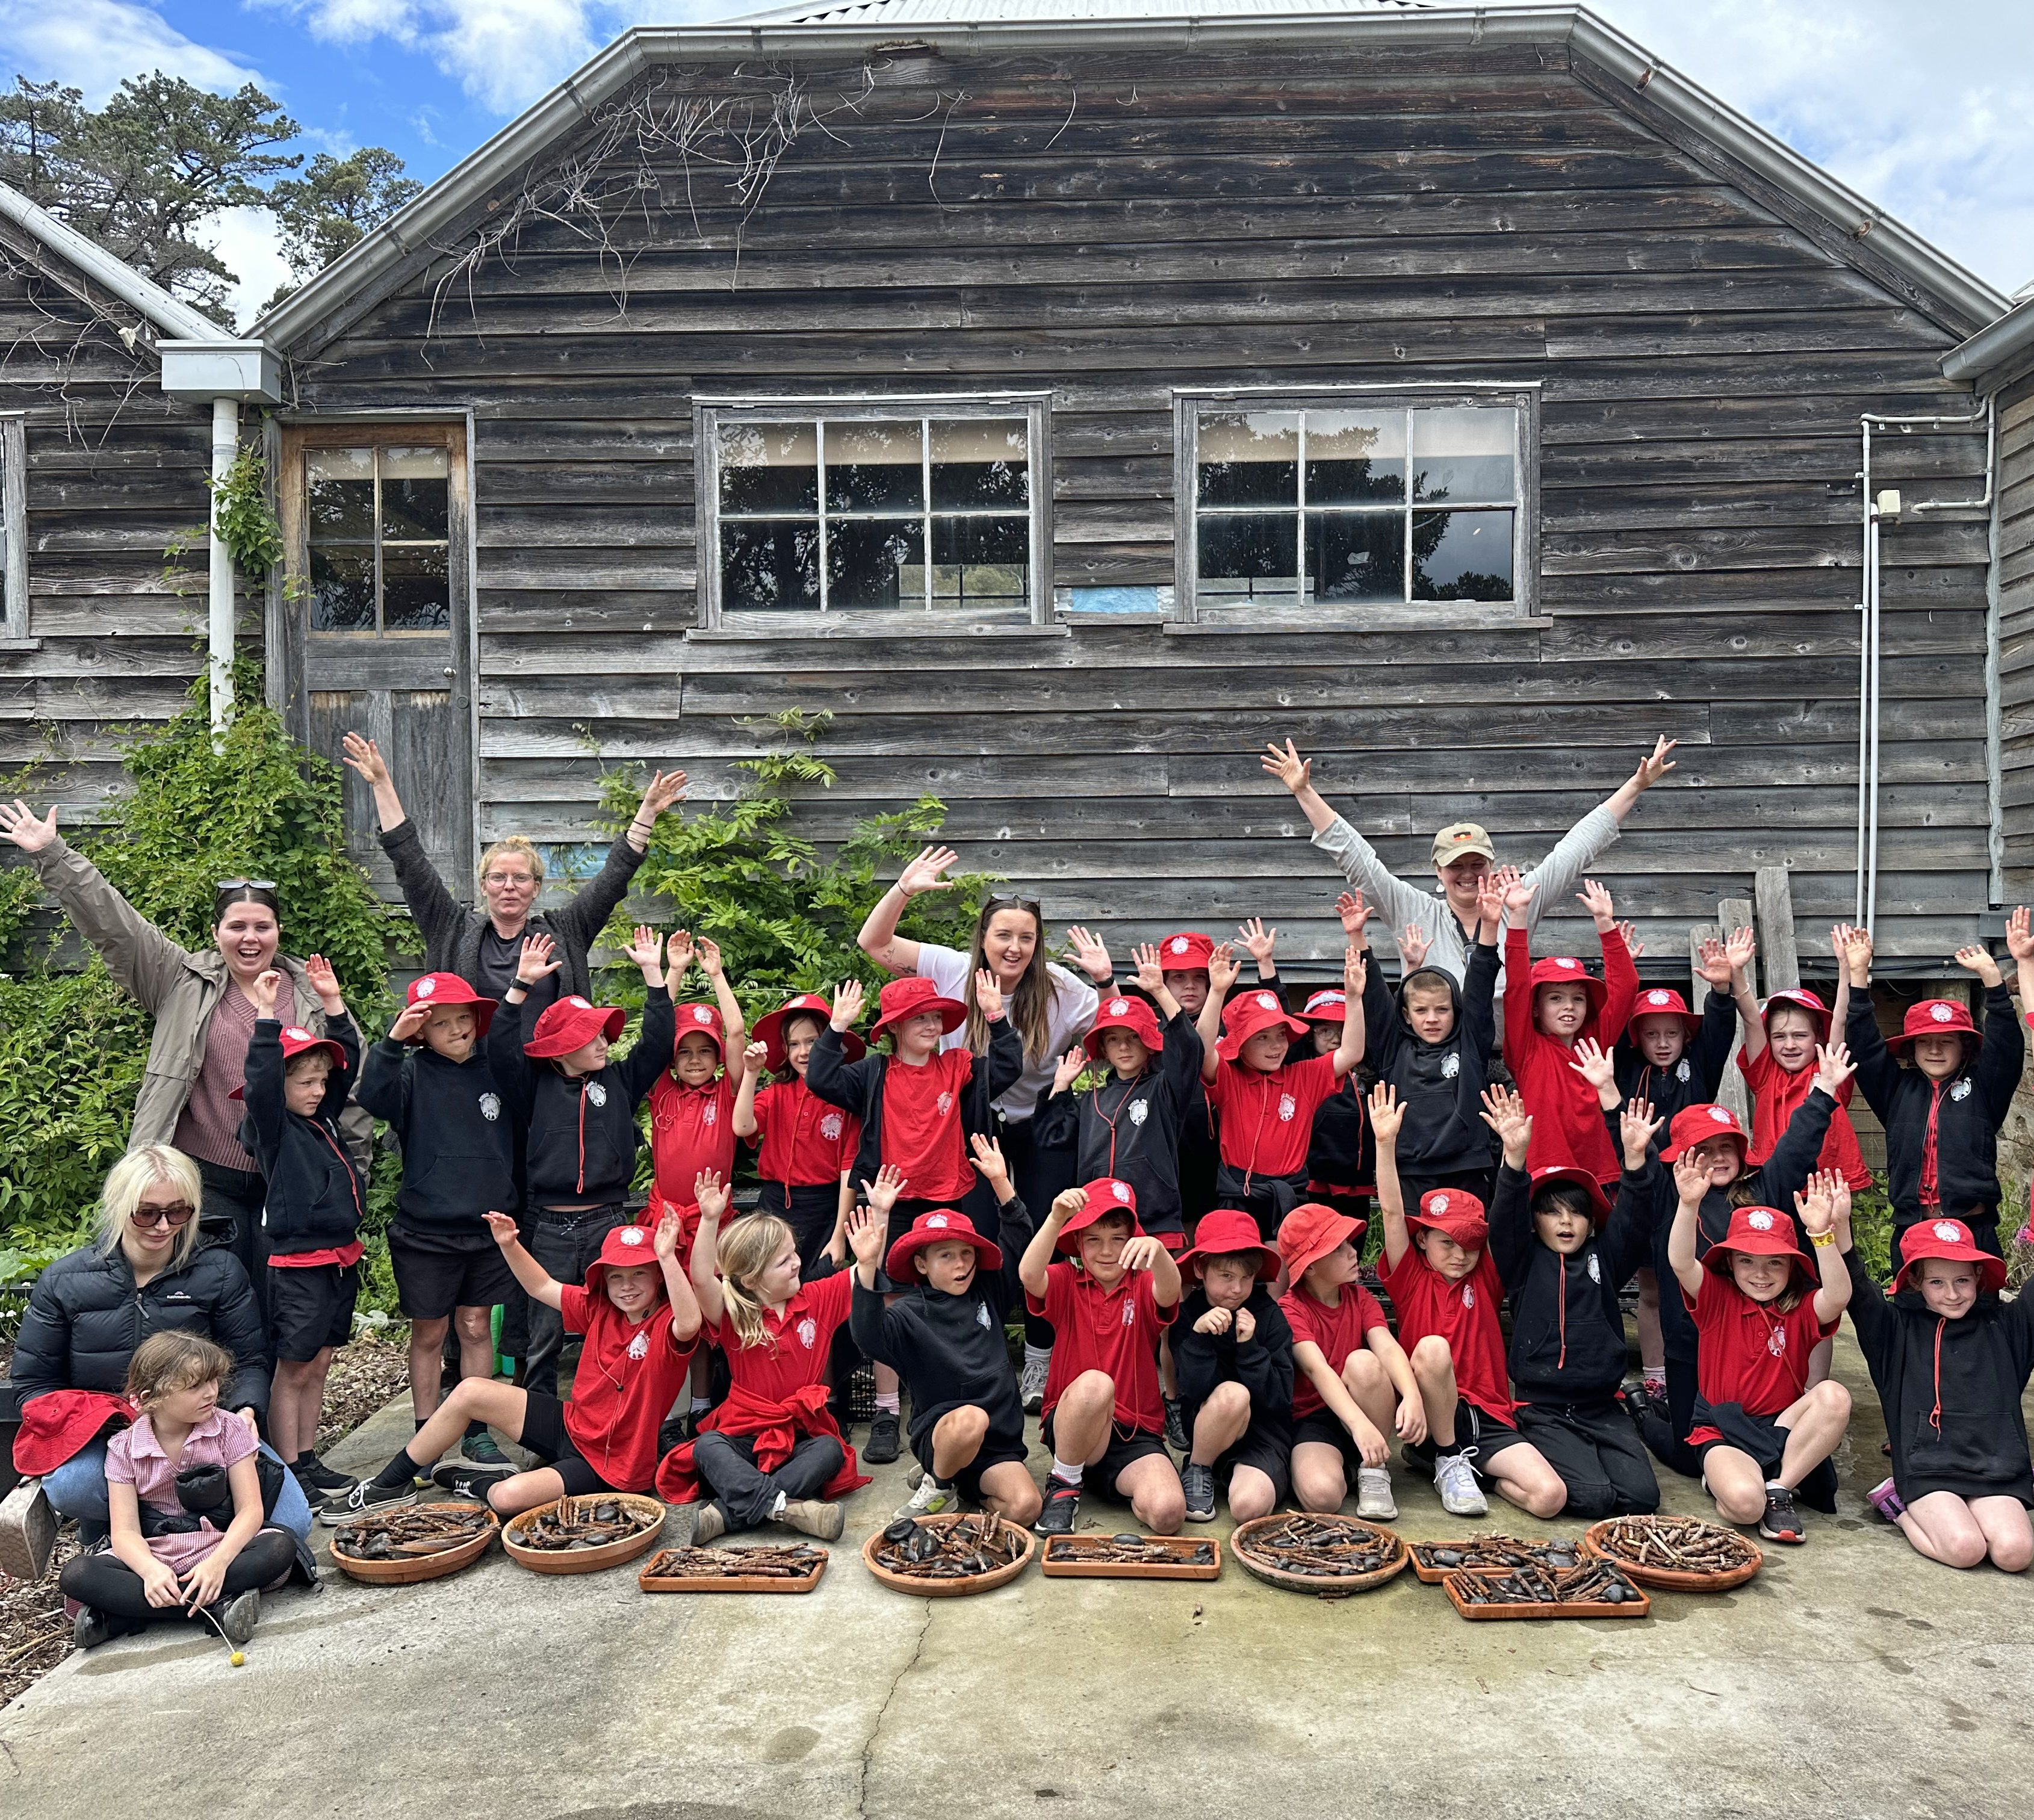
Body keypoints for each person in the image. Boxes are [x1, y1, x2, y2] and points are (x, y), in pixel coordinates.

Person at [0, 802, 367, 1321]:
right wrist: (53, 855)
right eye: (237, 926)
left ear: (278, 931)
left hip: (290, 1179)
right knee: (201, 1308)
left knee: (281, 1312)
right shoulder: (178, 980)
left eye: (262, 927)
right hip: (203, 1180)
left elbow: (350, 1093)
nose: (250, 938)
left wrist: (352, 1178)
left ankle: (263, 1381)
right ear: (216, 932)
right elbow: (115, 925)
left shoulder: (311, 996)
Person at [855, 849, 1111, 1411]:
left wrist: (1107, 981)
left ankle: (1038, 1359)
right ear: (983, 938)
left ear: (1037, 943)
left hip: (1040, 1120)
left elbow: (1118, 1026)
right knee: (978, 1238)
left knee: (1043, 1234)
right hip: (968, 1126)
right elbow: (873, 944)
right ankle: (975, 1353)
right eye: (1003, 935)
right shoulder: (950, 969)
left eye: (1026, 937)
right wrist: (903, 888)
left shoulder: (1061, 987)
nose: (1014, 947)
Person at [2, 1147, 309, 1582]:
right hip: (110, 1438)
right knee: (72, 1487)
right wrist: (94, 1423)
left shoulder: (219, 1270)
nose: (163, 1226)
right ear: (119, 1206)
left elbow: (249, 1359)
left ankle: (171, 1551)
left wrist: (245, 1409)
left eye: (178, 1212)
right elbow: (34, 1385)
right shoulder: (64, 1280)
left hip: (206, 1430)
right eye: (147, 1213)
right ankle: (149, 1540)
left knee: (295, 1523)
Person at [335, 1199, 701, 1517]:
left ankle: (476, 1482)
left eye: (640, 1274)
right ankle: (389, 1484)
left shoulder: (667, 1322)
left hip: (613, 1462)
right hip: (571, 1425)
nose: (627, 1285)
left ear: (658, 1278)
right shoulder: (598, 1307)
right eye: (616, 1276)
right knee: (471, 1390)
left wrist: (668, 1257)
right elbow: (541, 1286)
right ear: (603, 1279)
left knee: (506, 1497)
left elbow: (690, 1323)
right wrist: (509, 1244)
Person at [1257, 736, 1678, 1006]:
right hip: (1439, 1050)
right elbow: (1358, 860)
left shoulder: (1517, 903)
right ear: (1438, 873)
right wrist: (1304, 792)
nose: (1467, 874)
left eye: (1477, 864)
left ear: (1491, 866)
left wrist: (1637, 784)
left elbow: (1575, 850)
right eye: (1456, 866)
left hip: (1509, 1049)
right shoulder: (1414, 910)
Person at [807, 969, 1021, 1462]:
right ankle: (887, 1412)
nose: (930, 1025)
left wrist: (996, 1016)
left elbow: (1007, 1068)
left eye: (935, 1017)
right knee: (888, 1301)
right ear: (895, 1028)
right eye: (918, 1018)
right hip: (890, 1201)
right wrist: (836, 1027)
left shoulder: (957, 1065)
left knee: (950, 1299)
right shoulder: (874, 1072)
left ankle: (950, 1399)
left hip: (949, 1201)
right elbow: (821, 1078)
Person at [1628, 1041, 1854, 1479]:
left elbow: (1795, 1146)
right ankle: (1644, 1413)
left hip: (1758, 1345)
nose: (1717, 1157)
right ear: (1682, 1157)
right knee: (1688, 1458)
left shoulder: (1764, 1188)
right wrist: (1634, 1151)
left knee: (1769, 1447)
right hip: (1691, 1342)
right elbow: (1639, 1174)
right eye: (1704, 1149)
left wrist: (1824, 1090)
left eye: (1726, 1147)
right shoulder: (1668, 1194)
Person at [338, 734, 686, 1015]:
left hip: (548, 1073)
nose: (509, 886)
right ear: (483, 885)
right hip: (473, 1072)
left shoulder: (566, 932)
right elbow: (410, 863)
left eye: (520, 878)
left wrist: (647, 812)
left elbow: (613, 878)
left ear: (536, 887)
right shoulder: (451, 928)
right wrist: (381, 783)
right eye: (498, 878)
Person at [1371, 1085, 1567, 1521]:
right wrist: (1385, 1145)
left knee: (1549, 1497)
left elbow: (1505, 1215)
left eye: (1471, 1244)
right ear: (1422, 1240)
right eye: (1447, 1242)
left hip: (1489, 1415)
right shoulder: (1409, 1275)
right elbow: (1390, 1212)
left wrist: (1514, 1155)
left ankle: (1464, 1470)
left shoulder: (1486, 1274)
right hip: (1432, 1414)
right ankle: (1444, 1456)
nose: (1461, 1255)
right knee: (1432, 1348)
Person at [498, 928, 676, 1400]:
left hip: (607, 1222)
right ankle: (538, 1421)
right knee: (544, 1333)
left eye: (602, 1033)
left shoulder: (618, 1081)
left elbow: (658, 1044)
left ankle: (617, 1409)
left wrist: (653, 975)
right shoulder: (532, 1086)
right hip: (549, 1227)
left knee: (619, 1321)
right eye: (590, 1036)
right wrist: (519, 986)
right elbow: (500, 1047)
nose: (603, 1043)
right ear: (561, 1047)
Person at [356, 970, 524, 1469]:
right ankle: (425, 1435)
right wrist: (393, 1042)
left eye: (463, 1018)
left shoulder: (498, 1072)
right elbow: (372, 1097)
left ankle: (477, 1429)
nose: (456, 1030)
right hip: (426, 1229)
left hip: (487, 1224)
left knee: (475, 1325)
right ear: (421, 1032)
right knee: (429, 1332)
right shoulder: (409, 1075)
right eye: (441, 1023)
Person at [1483, 1082, 1662, 1520]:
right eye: (1552, 1212)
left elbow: (1635, 1219)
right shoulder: (1522, 1260)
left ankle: (1592, 1451)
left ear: (1591, 1222)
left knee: (1641, 1500)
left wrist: (1635, 1161)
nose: (1566, 1222)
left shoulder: (1606, 1258)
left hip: (1602, 1405)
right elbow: (1505, 1219)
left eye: (1577, 1212)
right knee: (1590, 1498)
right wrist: (1514, 1158)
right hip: (1543, 1408)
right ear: (1535, 1222)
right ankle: (1494, 1475)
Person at [58, 1332, 299, 1650]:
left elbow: (251, 1510)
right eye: (195, 1386)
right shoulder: (123, 1448)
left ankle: (121, 1618)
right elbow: (125, 1532)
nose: (211, 1392)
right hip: (157, 1552)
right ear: (152, 1397)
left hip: (217, 1544)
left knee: (279, 1547)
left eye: (213, 1380)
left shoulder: (229, 1428)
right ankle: (217, 1608)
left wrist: (219, 1562)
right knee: (77, 1574)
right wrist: (150, 1571)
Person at [657, 1187, 869, 1543]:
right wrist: (709, 1219)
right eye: (784, 1261)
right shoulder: (734, 1314)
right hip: (744, 1437)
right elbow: (703, 1279)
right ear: (752, 1280)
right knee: (707, 1445)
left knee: (829, 1450)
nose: (797, 1262)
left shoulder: (818, 1298)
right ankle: (789, 1509)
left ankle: (728, 1515)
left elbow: (862, 1272)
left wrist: (875, 1236)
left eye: (794, 1253)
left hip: (799, 1437)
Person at [848, 1142, 1040, 1523]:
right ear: (922, 1264)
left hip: (996, 1447)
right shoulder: (907, 1312)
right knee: (970, 1419)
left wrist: (1000, 1181)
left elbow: (1019, 1237)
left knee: (1026, 1507)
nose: (960, 1264)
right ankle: (938, 1482)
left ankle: (955, 1483)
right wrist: (866, 1265)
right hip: (944, 1433)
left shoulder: (989, 1291)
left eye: (966, 1253)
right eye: (946, 1256)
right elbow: (868, 1334)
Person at [1841, 1205, 2034, 1572]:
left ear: (1978, 1276)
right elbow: (1859, 1290)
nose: (1952, 1294)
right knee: (1965, 1550)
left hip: (1997, 1468)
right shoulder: (1895, 1332)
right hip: (1928, 1469)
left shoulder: (2009, 1328)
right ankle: (1897, 1506)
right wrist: (1836, 1236)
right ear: (1915, 1282)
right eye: (1936, 1283)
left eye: (1962, 1280)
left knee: (2015, 1554)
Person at [1666, 1167, 1852, 1543]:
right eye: (1747, 1261)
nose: (1761, 1274)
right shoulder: (1716, 1297)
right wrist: (1688, 1205)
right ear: (1730, 1263)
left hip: (1782, 1425)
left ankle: (1779, 1488)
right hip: (1723, 1429)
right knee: (1746, 1506)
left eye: (1775, 1262)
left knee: (1834, 1395)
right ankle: (1732, 1482)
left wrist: (1821, 1235)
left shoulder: (1801, 1307)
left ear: (1792, 1266)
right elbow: (1682, 1262)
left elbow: (1838, 1296)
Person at [237, 959, 364, 1506]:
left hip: (339, 1257)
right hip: (299, 1265)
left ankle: (308, 1459)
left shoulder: (319, 1116)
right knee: (293, 1368)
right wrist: (266, 1014)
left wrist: (332, 1004)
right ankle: (290, 1472)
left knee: (321, 1361)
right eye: (305, 1082)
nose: (317, 1091)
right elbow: (262, 1084)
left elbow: (347, 1064)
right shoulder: (274, 1127)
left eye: (320, 1082)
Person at [1840, 923, 2029, 1256]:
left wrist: (1992, 979)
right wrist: (1858, 975)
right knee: (1910, 1294)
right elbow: (1865, 1049)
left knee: (1981, 1294)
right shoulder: (1896, 1091)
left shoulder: (1984, 1089)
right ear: (1911, 1049)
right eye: (1924, 1042)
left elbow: (2006, 1049)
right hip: (1912, 1229)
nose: (1935, 1050)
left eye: (1946, 1041)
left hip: (1973, 1229)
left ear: (1965, 1047)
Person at [1020, 1178, 1185, 1537]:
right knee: (1096, 1384)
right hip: (1074, 1425)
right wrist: (1056, 1218)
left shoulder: (1143, 1285)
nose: (1107, 1251)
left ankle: (1091, 1480)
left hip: (1134, 1431)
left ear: (1134, 1241)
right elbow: (1029, 1275)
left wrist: (1159, 1253)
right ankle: (1064, 1483)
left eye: (1118, 1239)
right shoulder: (1067, 1280)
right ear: (1078, 1244)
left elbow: (1170, 1291)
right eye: (1093, 1239)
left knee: (1169, 1513)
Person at [1035, 945, 1204, 1251]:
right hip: (1101, 1222)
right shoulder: (1091, 1099)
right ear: (1103, 1047)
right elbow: (1053, 1139)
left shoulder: (1164, 1089)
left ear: (1149, 1041)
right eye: (1114, 1039)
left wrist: (1161, 992)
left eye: (1133, 1037)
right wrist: (1059, 1087)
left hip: (1154, 1218)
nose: (1124, 1047)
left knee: (1157, 1282)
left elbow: (1189, 1049)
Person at [1196, 944, 1366, 1236]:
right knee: (1239, 1262)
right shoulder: (1228, 1079)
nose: (1276, 1046)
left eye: (1280, 1035)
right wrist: (1216, 992)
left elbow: (1351, 1052)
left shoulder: (1304, 1076)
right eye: (1262, 1037)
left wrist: (1353, 998)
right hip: (1238, 1195)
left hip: (1289, 1195)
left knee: (1284, 1265)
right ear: (1240, 1044)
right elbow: (1200, 1051)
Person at [1350, 877, 1502, 1205]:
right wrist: (1356, 936)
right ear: (1407, 1015)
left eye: (1442, 1010)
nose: (1432, 1018)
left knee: (1467, 1236)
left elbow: (1480, 986)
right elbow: (1375, 1000)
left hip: (1466, 1165)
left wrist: (1490, 926)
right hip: (1410, 1167)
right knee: (1414, 1238)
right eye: (1421, 1011)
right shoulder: (1394, 1050)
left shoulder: (1469, 1044)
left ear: (1455, 1012)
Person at [1276, 1201, 1421, 1521]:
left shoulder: (1361, 1298)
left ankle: (1374, 1469)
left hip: (1366, 1410)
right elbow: (1317, 1370)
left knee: (1363, 1362)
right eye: (1338, 1248)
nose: (1353, 1252)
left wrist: (1412, 1396)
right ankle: (1346, 1468)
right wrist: (1357, 1426)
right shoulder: (1290, 1308)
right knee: (1322, 1496)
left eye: (1349, 1244)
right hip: (1317, 1417)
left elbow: (1387, 1347)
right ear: (1309, 1267)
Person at [1499, 877, 1638, 1183]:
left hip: (1600, 1174)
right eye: (1555, 998)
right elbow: (1517, 988)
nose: (1569, 1007)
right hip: (1544, 1176)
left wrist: (1605, 923)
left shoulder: (1595, 1043)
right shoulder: (1526, 1048)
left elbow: (1626, 987)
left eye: (1578, 998)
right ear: (1536, 1008)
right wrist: (1518, 916)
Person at [1723, 926, 1872, 1192]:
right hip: (1774, 1184)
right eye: (1779, 1037)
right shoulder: (1765, 1073)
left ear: (1819, 1036)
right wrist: (1736, 972)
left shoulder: (1830, 1068)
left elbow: (1840, 1019)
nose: (1789, 1045)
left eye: (1800, 1035)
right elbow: (1752, 1020)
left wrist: (1846, 967)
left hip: (1827, 1186)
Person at [1172, 1208, 1295, 1524]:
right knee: (1232, 1394)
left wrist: (1250, 1347)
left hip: (1263, 1434)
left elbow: (1280, 1399)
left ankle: (1234, 1475)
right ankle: (1199, 1468)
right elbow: (1192, 1389)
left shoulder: (1270, 1315)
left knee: (1248, 1507)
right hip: (1209, 1429)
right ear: (1200, 1269)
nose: (1238, 1289)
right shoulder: (1188, 1317)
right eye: (1226, 1276)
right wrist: (1198, 1339)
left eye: (1247, 1278)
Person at [734, 992, 864, 1269]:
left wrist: (840, 1235)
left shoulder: (845, 1099)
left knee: (817, 1281)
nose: (803, 1052)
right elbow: (742, 1127)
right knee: (768, 1279)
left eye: (813, 1042)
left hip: (824, 1207)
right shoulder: (777, 1093)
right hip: (774, 1202)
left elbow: (848, 1169)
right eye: (794, 1044)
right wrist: (751, 1073)